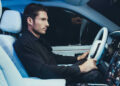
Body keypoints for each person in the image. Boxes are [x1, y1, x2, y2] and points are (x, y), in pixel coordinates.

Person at [14, 3, 102, 84]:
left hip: (55, 76)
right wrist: (80, 69)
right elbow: (42, 70)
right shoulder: (24, 43)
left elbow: (53, 58)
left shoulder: (37, 40)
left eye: (47, 20)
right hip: (52, 81)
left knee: (85, 62)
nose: (47, 24)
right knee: (94, 75)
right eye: (43, 19)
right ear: (30, 21)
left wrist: (77, 58)